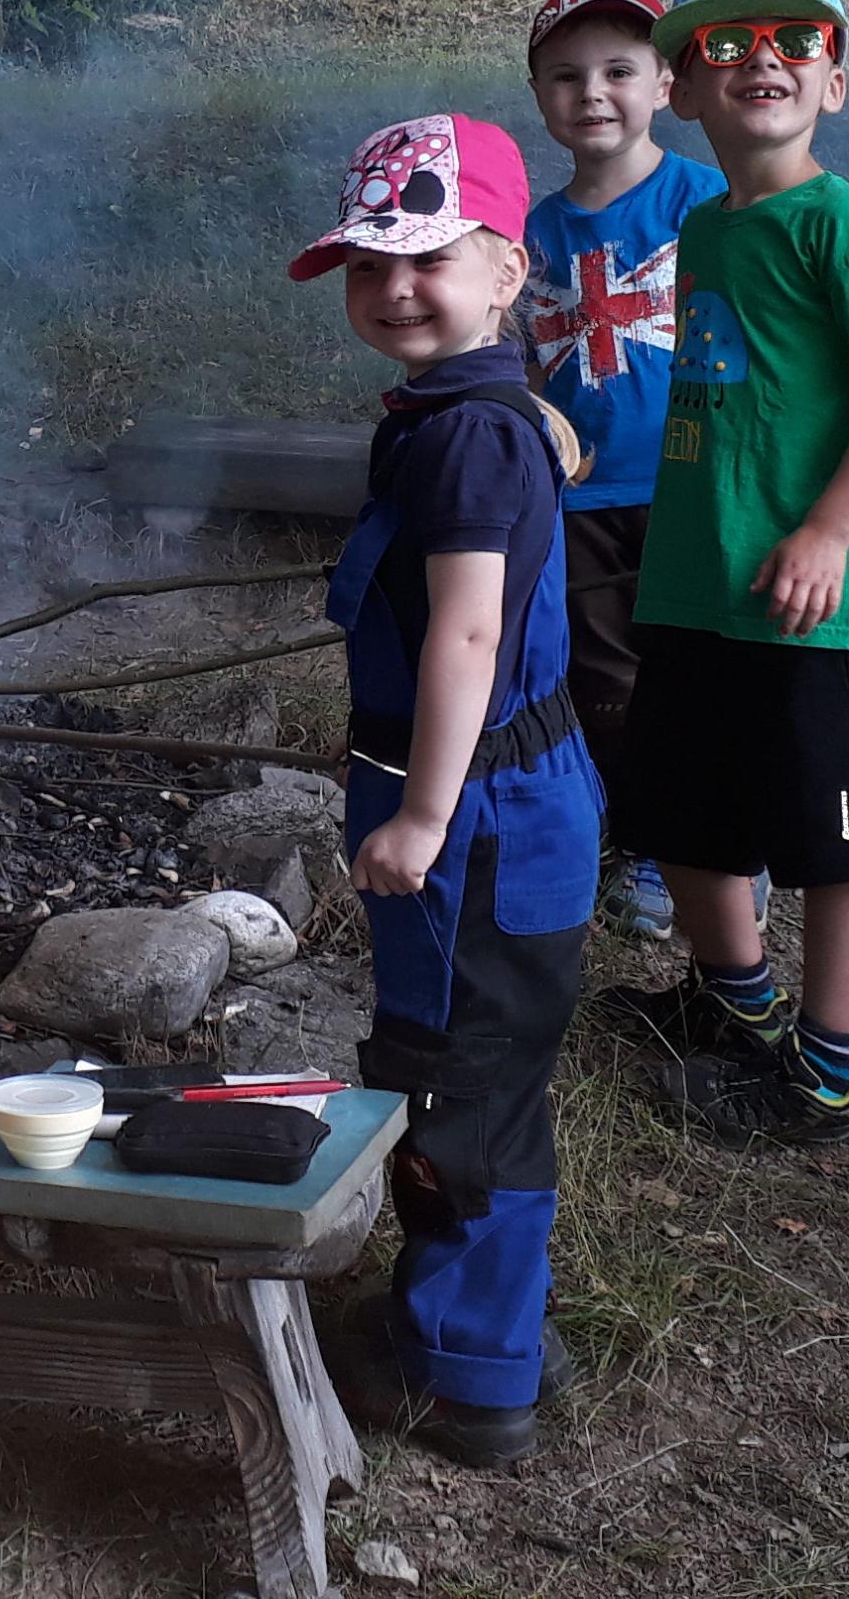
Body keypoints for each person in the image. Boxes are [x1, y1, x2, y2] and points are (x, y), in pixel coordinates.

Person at [293, 114, 604, 1469]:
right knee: (481, 1067)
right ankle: (495, 1314)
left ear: (506, 270)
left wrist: (419, 815)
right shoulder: (469, 409)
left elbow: (469, 636)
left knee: (457, 1082)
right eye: (369, 266)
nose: (394, 287)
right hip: (500, 804)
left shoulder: (468, 438)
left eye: (428, 257)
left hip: (475, 819)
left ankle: (470, 1377)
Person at [615, 0, 849, 1147]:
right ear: (682, 90)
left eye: (796, 41)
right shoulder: (705, 230)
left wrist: (826, 531)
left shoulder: (848, 228)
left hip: (818, 601)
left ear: (833, 84)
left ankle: (824, 1071)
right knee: (681, 810)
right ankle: (734, 1000)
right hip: (699, 582)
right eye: (727, 44)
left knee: (835, 843)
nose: (764, 60)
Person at [516, 0, 725, 946]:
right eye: (565, 76)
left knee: (703, 669)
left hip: (694, 486)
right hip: (583, 500)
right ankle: (640, 839)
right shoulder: (532, 231)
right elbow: (521, 353)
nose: (591, 92)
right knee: (605, 683)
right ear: (539, 95)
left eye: (617, 70)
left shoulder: (705, 201)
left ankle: (724, 841)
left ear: (665, 84)